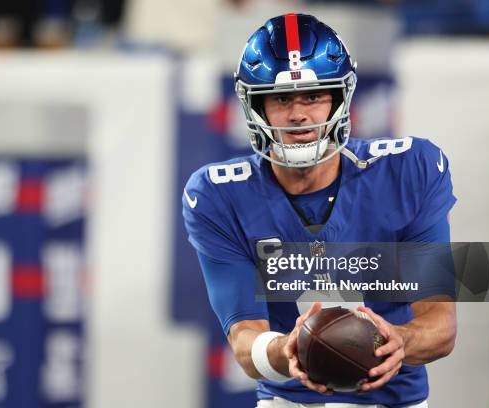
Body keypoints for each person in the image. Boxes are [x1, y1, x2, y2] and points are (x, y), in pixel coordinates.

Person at [182, 13, 457, 408]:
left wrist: (402, 340)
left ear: (340, 98)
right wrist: (287, 350)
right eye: (280, 98)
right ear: (254, 104)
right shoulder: (218, 194)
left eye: (313, 96)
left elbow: (441, 327)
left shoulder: (408, 170)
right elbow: (244, 339)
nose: (298, 114)